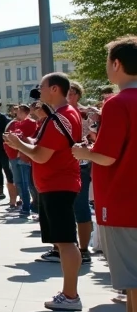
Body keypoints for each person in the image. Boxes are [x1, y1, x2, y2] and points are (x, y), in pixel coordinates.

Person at [75, 37, 137, 312]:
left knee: (132, 276)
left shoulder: (118, 103)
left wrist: (82, 150)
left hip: (124, 200)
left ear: (116, 64)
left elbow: (108, 156)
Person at [4, 73, 83, 311]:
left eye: (42, 87)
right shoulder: (62, 116)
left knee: (66, 242)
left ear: (55, 89)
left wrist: (19, 145)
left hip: (58, 184)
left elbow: (41, 154)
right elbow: (44, 149)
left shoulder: (61, 117)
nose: (39, 91)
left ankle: (70, 295)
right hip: (56, 183)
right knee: (64, 241)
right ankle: (69, 293)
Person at [68, 81, 95, 261]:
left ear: (77, 94)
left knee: (81, 204)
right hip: (65, 163)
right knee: (67, 206)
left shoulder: (86, 113)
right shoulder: (59, 113)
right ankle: (68, 246)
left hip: (81, 163)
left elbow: (93, 137)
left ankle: (84, 248)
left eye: (69, 93)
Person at [5, 104, 38, 218]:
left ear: (24, 112)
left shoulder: (31, 123)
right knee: (18, 182)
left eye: (18, 111)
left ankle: (30, 206)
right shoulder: (14, 123)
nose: (16, 113)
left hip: (24, 155)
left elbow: (28, 137)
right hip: (14, 155)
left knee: (26, 183)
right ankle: (25, 205)